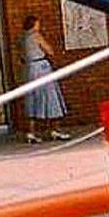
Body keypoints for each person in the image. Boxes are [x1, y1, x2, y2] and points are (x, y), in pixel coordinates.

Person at [19, 14, 70, 143]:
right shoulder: (36, 35)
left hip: (29, 69)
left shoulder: (21, 38)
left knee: (32, 99)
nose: (39, 25)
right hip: (41, 68)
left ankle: (31, 132)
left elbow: (20, 56)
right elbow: (49, 50)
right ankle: (55, 129)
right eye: (38, 23)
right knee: (51, 97)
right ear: (34, 24)